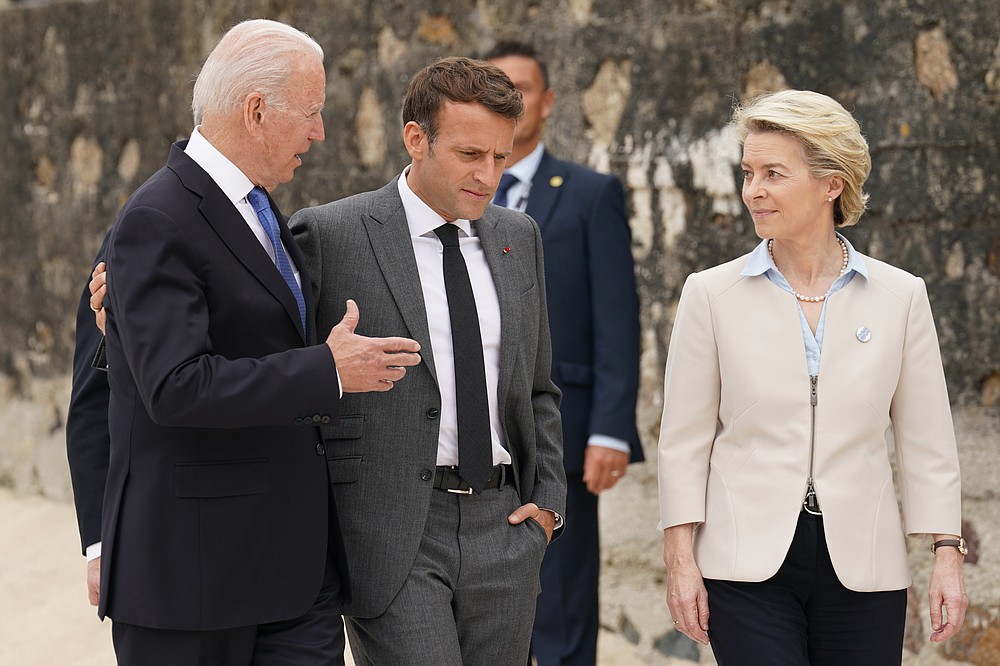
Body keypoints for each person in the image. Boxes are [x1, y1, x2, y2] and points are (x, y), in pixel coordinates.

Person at [65, 19, 421, 665]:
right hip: (195, 579)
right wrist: (328, 371)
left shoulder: (261, 212)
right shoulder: (156, 216)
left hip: (294, 574)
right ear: (257, 110)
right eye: (311, 113)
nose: (319, 132)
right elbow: (173, 387)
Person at [657, 89, 967, 665]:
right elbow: (683, 442)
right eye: (749, 172)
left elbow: (927, 441)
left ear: (832, 183)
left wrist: (946, 552)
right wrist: (680, 561)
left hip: (865, 566)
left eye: (775, 173)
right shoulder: (710, 294)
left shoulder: (901, 295)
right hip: (742, 564)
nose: (754, 190)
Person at [287, 56, 567, 665]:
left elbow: (539, 387)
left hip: (507, 525)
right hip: (391, 534)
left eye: (501, 156)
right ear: (416, 138)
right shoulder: (330, 234)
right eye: (471, 155)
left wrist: (547, 502)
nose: (489, 175)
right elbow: (275, 364)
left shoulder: (519, 238)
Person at [482, 41, 642, 666]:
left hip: (566, 432)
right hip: (466, 434)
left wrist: (611, 428)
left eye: (522, 87)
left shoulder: (589, 193)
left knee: (562, 602)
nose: (510, 99)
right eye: (495, 86)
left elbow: (617, 318)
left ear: (547, 102)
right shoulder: (444, 199)